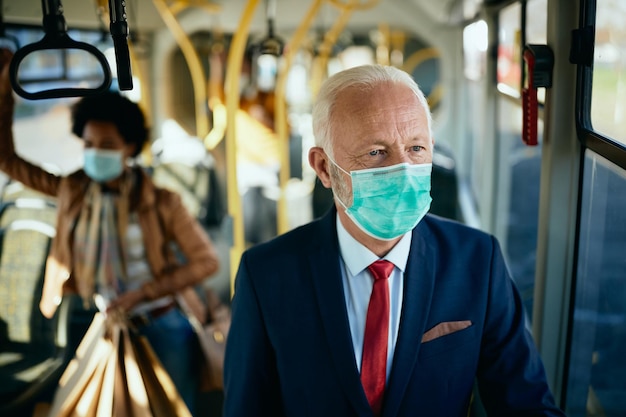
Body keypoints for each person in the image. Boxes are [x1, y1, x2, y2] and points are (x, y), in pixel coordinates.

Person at [223, 64, 566, 416]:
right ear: (324, 168)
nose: (403, 171)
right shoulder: (266, 275)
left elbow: (526, 404)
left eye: (416, 148)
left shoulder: (478, 260)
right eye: (376, 153)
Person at [0, 48, 219, 414]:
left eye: (107, 146)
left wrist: (142, 293)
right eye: (87, 145)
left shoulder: (162, 201)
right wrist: (4, 85)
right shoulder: (74, 189)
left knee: (173, 408)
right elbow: (7, 159)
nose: (94, 155)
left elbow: (206, 262)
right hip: (100, 318)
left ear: (129, 148)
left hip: (159, 321)